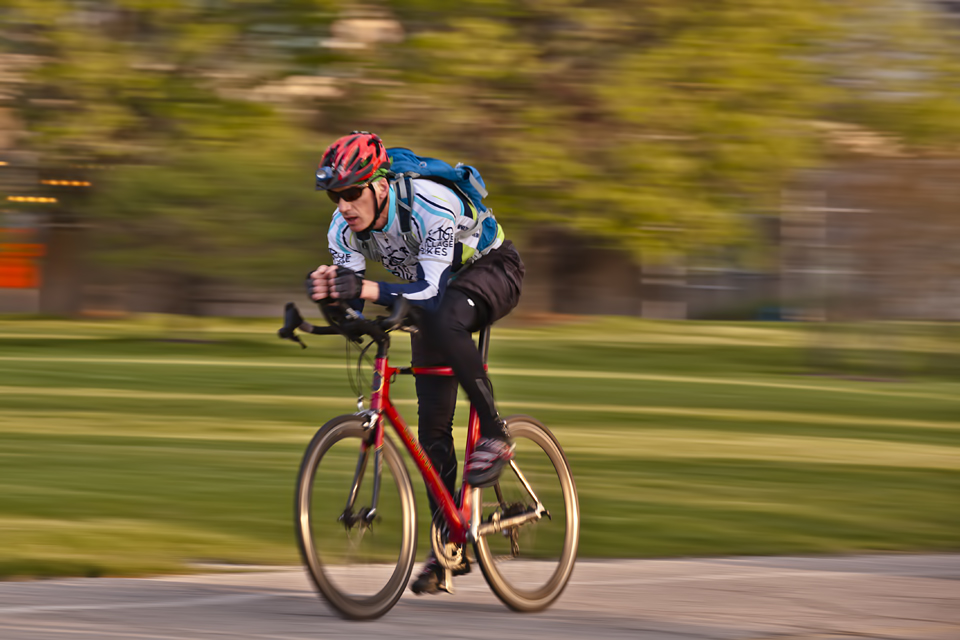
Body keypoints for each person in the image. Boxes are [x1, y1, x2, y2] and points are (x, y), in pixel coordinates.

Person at [308, 131, 525, 595]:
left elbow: (429, 293)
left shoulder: (429, 202)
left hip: (492, 269)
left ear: (380, 186)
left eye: (352, 193)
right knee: (432, 432)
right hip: (439, 292)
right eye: (335, 195)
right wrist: (329, 297)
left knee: (445, 316)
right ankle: (449, 544)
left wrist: (365, 290)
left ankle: (494, 432)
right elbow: (356, 309)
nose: (344, 205)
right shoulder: (340, 228)